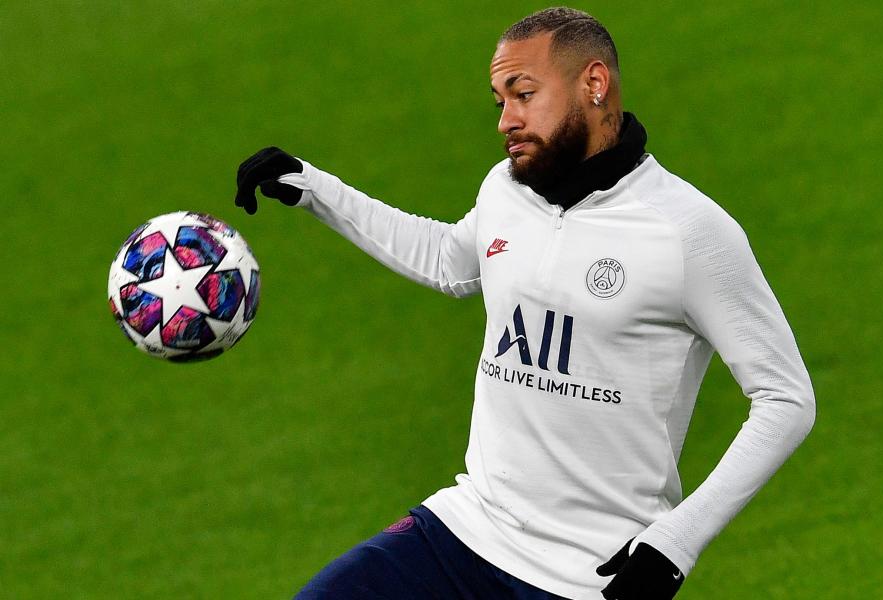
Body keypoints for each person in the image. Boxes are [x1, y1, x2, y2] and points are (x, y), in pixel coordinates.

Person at [234, 7, 815, 600]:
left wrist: (675, 543)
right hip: (467, 528)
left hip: (587, 573)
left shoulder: (688, 231)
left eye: (524, 94)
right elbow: (448, 261)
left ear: (594, 84)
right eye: (499, 101)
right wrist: (313, 189)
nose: (506, 120)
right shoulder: (505, 191)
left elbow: (785, 398)